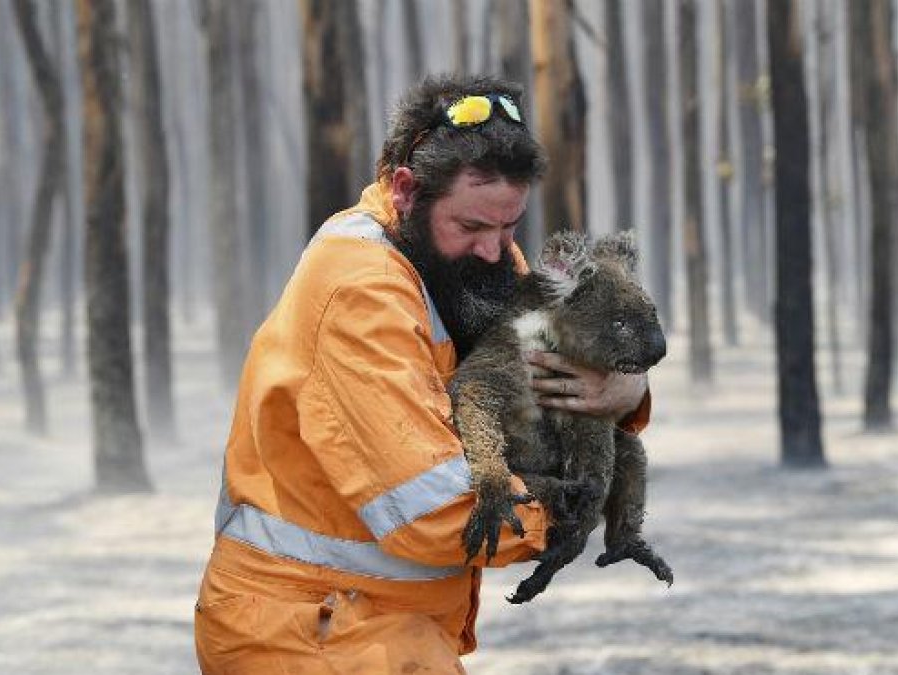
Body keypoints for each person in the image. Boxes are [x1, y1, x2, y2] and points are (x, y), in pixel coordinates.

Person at [194, 74, 652, 674]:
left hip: (377, 624)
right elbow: (433, 511)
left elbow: (557, 378)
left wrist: (628, 390)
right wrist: (575, 506)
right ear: (407, 191)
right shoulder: (361, 291)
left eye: (509, 225)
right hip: (305, 632)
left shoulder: (470, 263)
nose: (497, 250)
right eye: (472, 227)